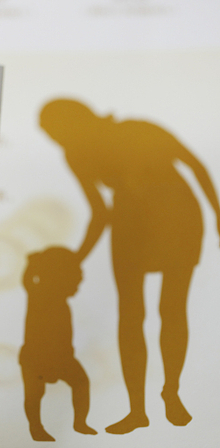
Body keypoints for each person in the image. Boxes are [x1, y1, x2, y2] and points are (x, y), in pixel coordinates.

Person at [39, 99, 220, 434]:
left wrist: (219, 214)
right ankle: (137, 410)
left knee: (172, 309)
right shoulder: (76, 156)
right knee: (131, 316)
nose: (59, 141)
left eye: (58, 133)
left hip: (177, 217)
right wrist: (76, 259)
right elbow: (100, 212)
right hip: (130, 225)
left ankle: (171, 393)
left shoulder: (140, 129)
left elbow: (195, 165)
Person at [20, 246, 97, 441]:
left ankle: (80, 422)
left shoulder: (61, 303)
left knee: (81, 382)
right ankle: (36, 427)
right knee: (34, 394)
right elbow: (27, 281)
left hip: (62, 358)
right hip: (35, 358)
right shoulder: (38, 294)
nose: (77, 286)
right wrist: (32, 263)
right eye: (75, 281)